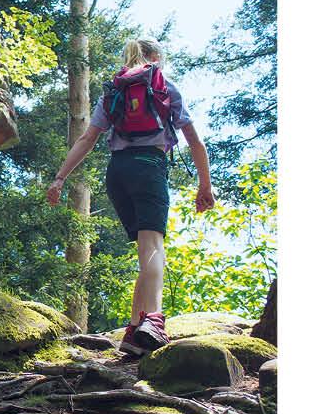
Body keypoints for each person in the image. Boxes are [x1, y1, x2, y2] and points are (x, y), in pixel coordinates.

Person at [48, 37, 214, 355]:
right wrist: (204, 186)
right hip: (149, 167)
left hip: (118, 173)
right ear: (155, 58)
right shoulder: (163, 86)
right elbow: (194, 140)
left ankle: (134, 334)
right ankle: (154, 320)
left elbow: (87, 137)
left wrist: (59, 179)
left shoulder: (115, 91)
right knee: (153, 247)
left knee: (144, 249)